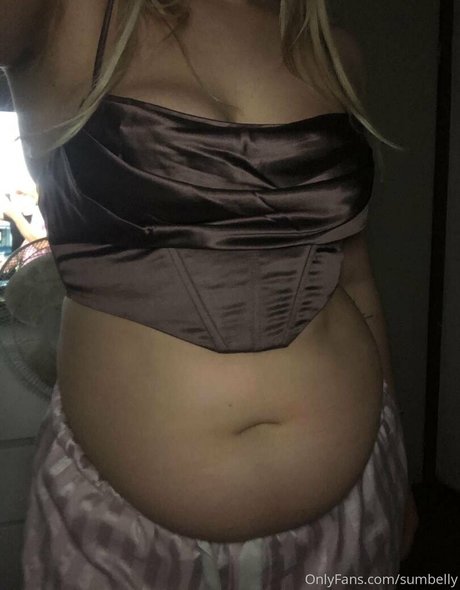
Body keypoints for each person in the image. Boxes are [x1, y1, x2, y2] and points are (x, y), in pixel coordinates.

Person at [1, 0, 418, 588]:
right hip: (126, 546)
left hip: (353, 517)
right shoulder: (65, 18)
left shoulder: (332, 50)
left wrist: (400, 480)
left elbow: (355, 276)